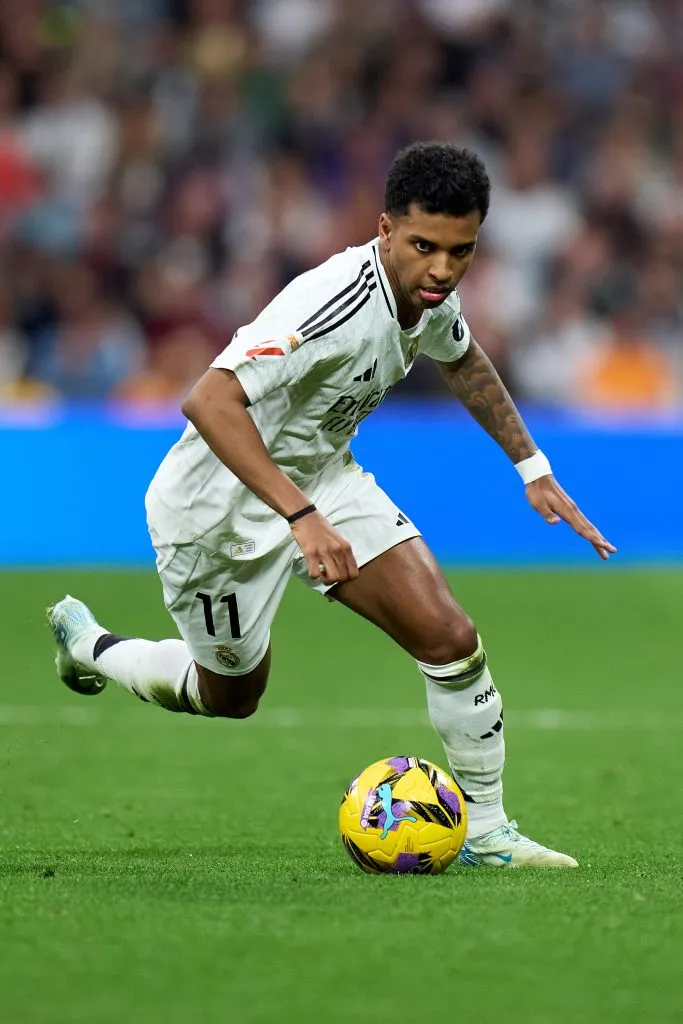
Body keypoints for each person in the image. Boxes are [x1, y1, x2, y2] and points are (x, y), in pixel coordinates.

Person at [48, 143, 615, 868]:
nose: (441, 269)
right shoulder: (330, 302)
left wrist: (531, 467)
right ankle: (90, 645)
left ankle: (487, 831)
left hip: (322, 479)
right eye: (423, 247)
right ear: (385, 230)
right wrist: (297, 517)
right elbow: (209, 400)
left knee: (448, 637)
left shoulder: (429, 296)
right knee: (230, 694)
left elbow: (462, 356)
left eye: (460, 251)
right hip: (215, 513)